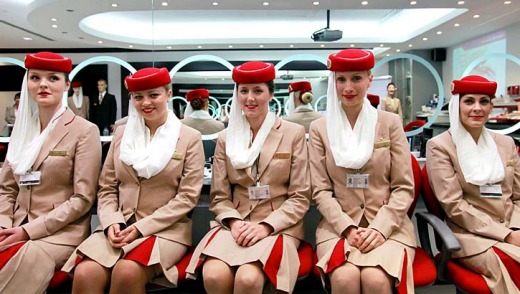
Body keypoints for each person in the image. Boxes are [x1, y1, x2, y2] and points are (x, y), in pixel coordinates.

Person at [63, 67, 204, 294]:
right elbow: (107, 187)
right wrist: (110, 221)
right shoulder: (121, 134)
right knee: (85, 272)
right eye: (138, 97)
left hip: (165, 229)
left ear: (168, 95)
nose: (146, 102)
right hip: (119, 225)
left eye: (154, 95)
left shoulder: (189, 137)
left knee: (126, 272)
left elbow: (187, 197)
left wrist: (141, 228)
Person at [186, 61, 311, 293]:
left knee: (248, 279)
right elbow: (219, 197)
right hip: (236, 223)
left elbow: (300, 196)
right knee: (213, 276)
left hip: (278, 225)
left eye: (258, 91)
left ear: (271, 94)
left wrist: (265, 226)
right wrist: (234, 223)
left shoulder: (292, 134)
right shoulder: (226, 137)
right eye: (243, 91)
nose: (250, 98)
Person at [309, 49, 416, 293]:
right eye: (341, 79)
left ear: (369, 79)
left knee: (375, 280)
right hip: (339, 226)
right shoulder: (320, 128)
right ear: (333, 82)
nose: (348, 87)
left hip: (389, 224)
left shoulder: (390, 123)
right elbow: (321, 190)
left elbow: (404, 187)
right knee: (344, 279)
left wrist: (380, 227)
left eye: (356, 78)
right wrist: (346, 227)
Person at [0, 51, 101, 293]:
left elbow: (83, 199)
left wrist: (27, 230)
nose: (43, 84)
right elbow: (7, 188)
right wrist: (3, 224)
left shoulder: (84, 131)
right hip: (14, 225)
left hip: (59, 233)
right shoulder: (22, 130)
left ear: (67, 85)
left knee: (22, 260)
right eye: (35, 78)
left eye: (53, 78)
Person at [426, 75, 520, 293]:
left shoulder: (506, 143)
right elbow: (454, 206)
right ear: (457, 105)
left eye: (484, 102)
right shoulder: (440, 146)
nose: (477, 108)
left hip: (512, 227)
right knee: (511, 266)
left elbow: (517, 196)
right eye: (469, 101)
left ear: (491, 107)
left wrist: (515, 228)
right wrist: (505, 235)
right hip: (470, 235)